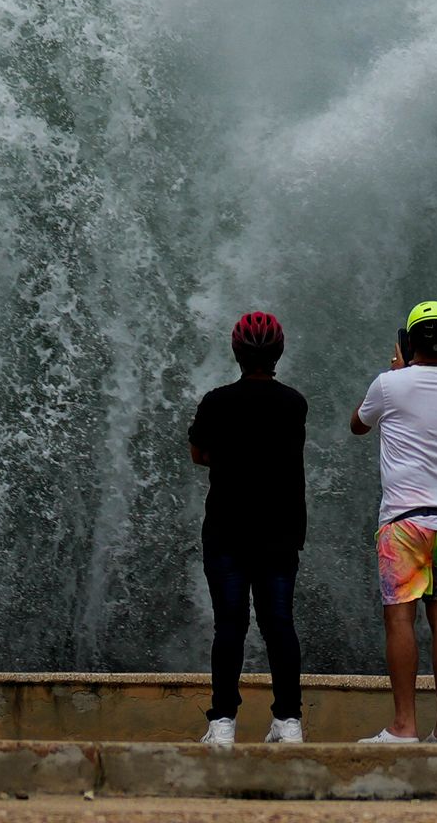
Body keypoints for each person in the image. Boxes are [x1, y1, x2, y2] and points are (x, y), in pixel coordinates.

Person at [350, 300, 437, 746]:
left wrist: (399, 372)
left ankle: (404, 725)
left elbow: (358, 425)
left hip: (403, 522)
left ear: (409, 340)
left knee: (400, 621)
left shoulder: (389, 385)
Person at [187, 311, 307, 747]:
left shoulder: (215, 402)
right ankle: (288, 720)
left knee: (229, 626)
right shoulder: (294, 403)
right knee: (279, 624)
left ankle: (223, 722)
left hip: (226, 532)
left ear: (236, 352)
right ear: (278, 353)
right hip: (279, 533)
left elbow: (199, 453)